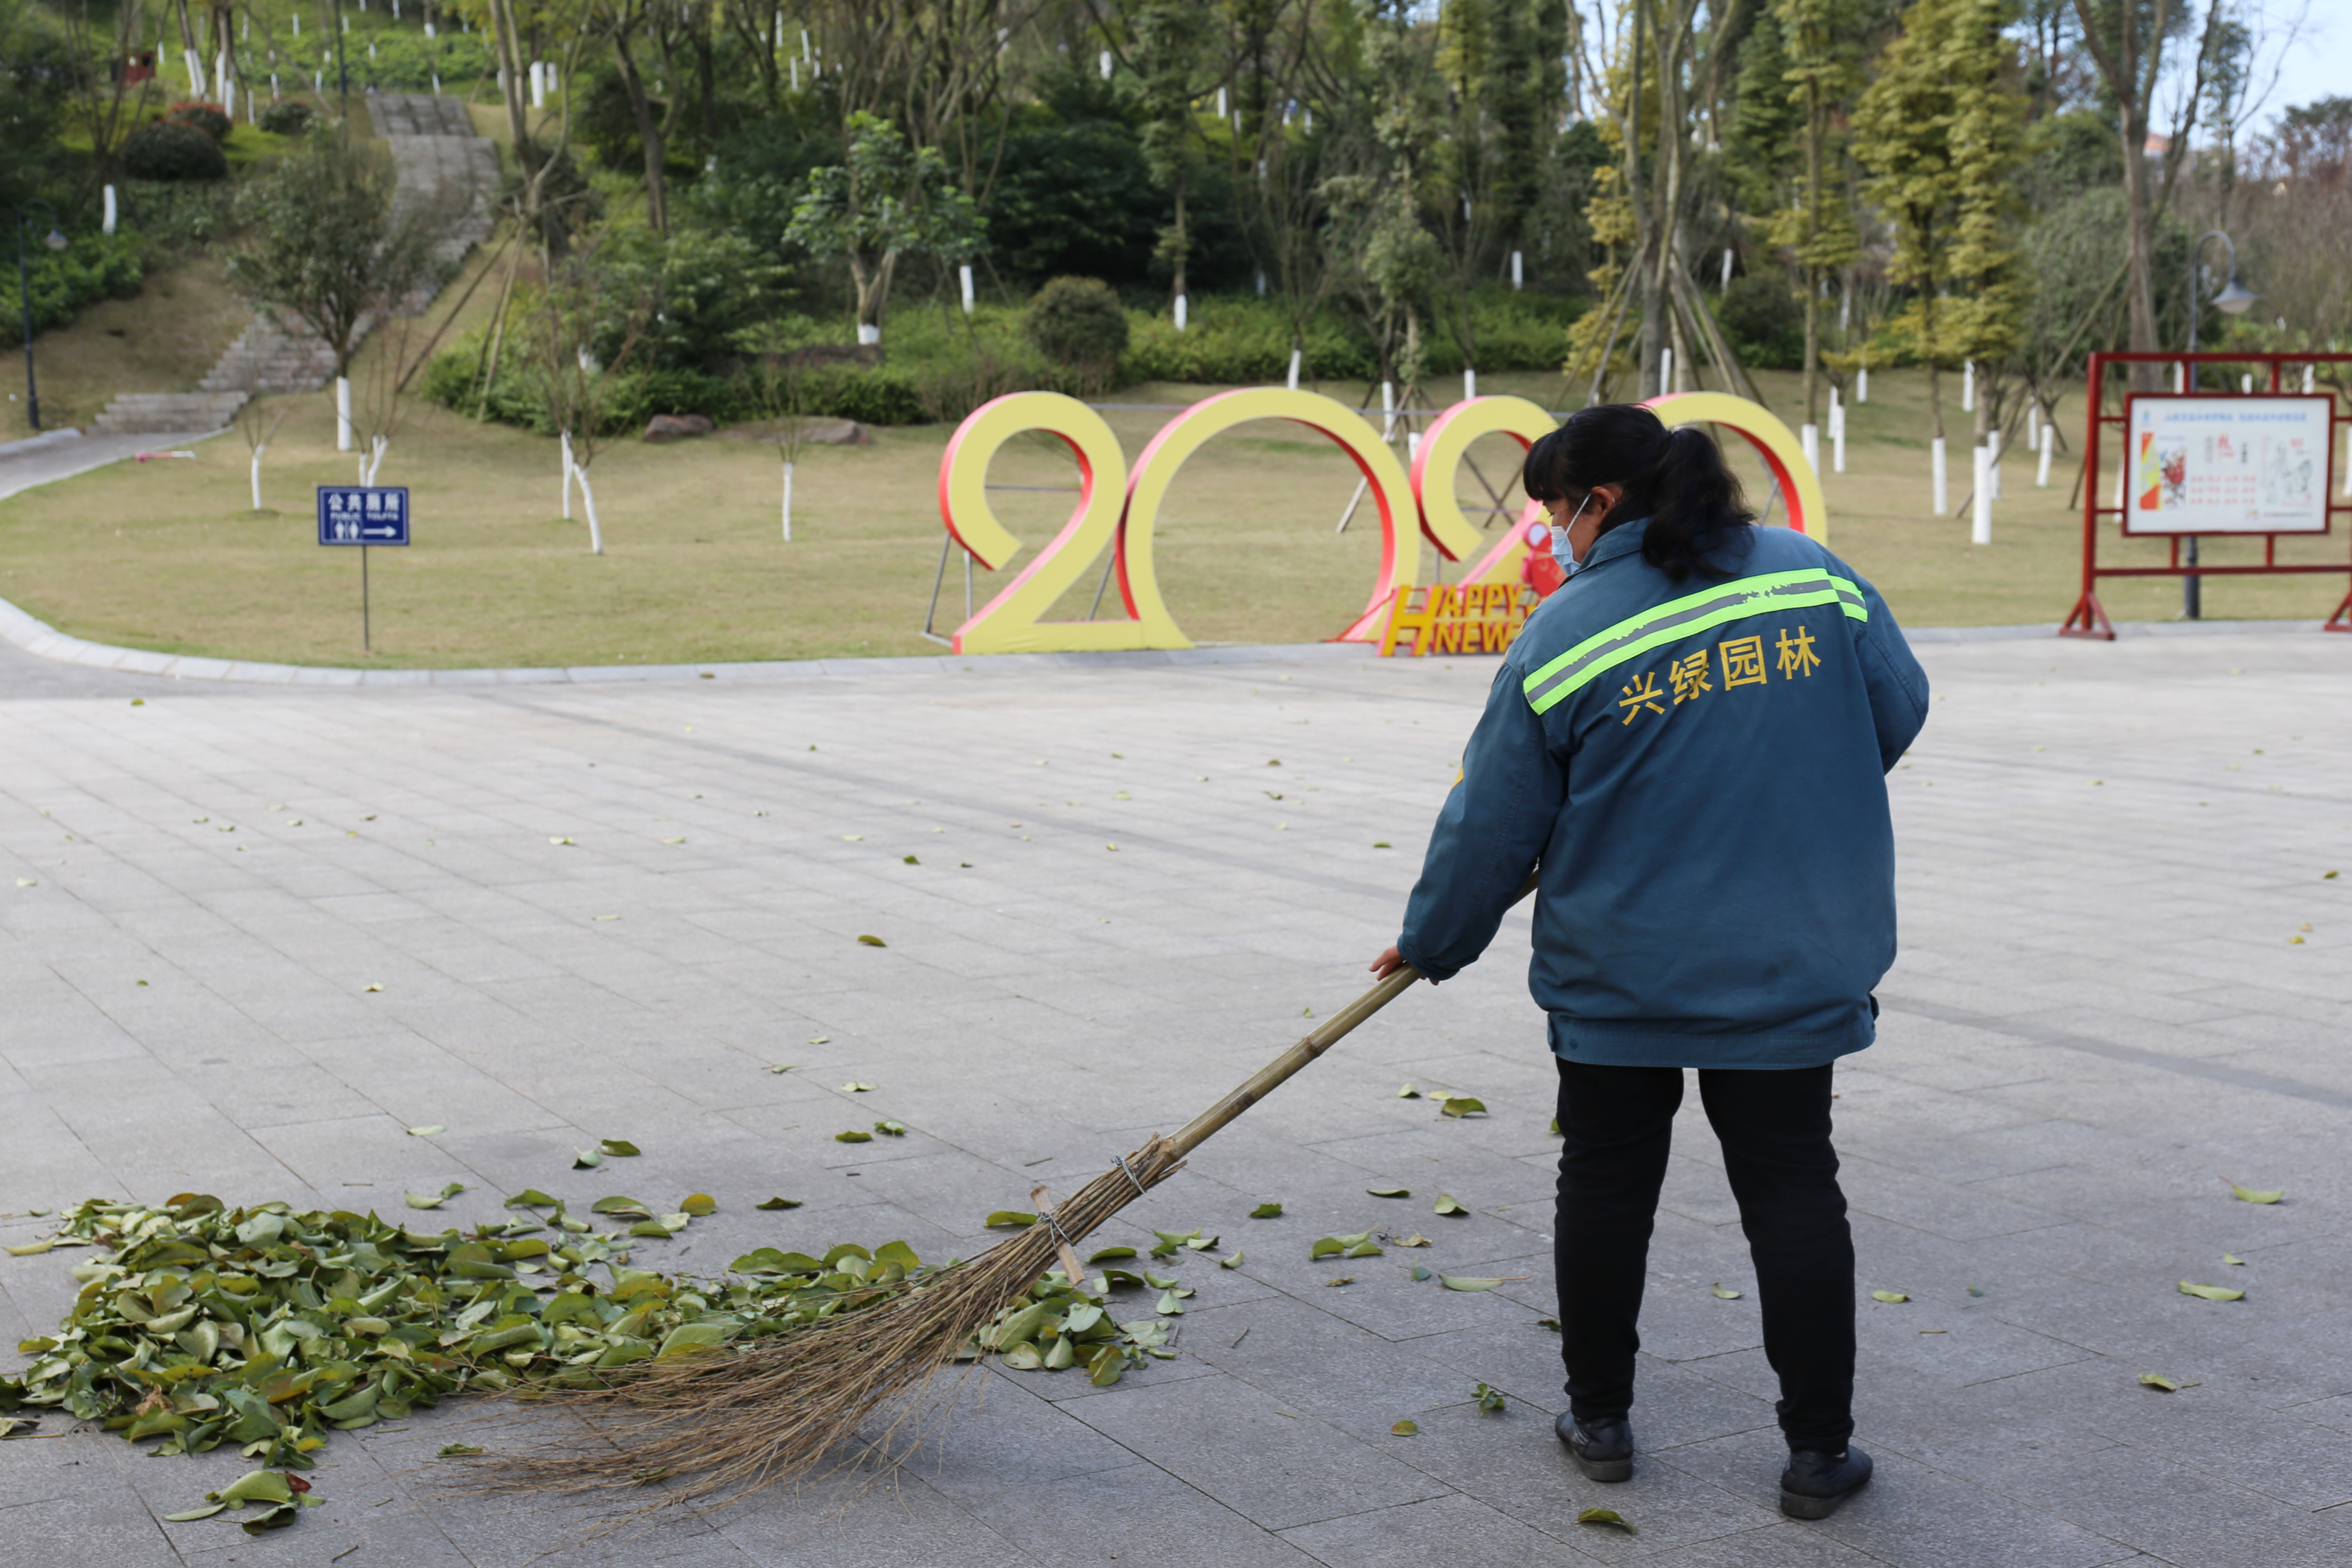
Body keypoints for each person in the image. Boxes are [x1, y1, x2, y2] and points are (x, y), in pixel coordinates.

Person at [1367, 403, 1929, 1521]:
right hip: (1792, 962)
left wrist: (1433, 943)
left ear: (1603, 504)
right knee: (1793, 1188)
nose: (1556, 539)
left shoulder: (1568, 633)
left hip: (1623, 976)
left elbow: (1491, 828)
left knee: (1609, 1183)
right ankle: (1820, 1454)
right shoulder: (1812, 579)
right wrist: (1787, 772)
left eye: (1557, 515)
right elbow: (1899, 708)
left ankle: (1603, 1420)